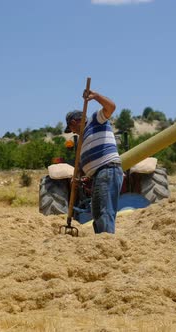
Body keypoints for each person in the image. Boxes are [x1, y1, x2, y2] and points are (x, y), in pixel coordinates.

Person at [64, 89, 123, 234]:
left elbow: (111, 107)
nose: (73, 132)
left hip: (107, 170)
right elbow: (80, 163)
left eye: (71, 129)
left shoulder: (96, 119)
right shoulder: (83, 140)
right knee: (97, 213)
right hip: (98, 175)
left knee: (104, 211)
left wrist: (95, 96)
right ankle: (101, 241)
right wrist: (77, 175)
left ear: (73, 123)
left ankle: (107, 243)